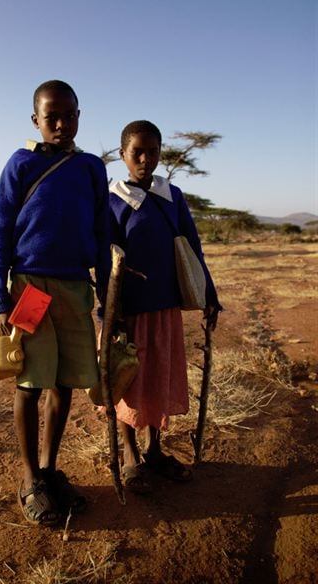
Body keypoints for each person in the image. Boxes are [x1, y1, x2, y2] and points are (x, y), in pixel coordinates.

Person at [0, 79, 110, 525]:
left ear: (80, 116)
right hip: (31, 288)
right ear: (35, 119)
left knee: (65, 384)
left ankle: (49, 470)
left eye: (69, 115)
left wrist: (105, 288)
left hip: (76, 287)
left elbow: (102, 233)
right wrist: (0, 297)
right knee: (30, 382)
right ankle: (28, 479)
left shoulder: (93, 169)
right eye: (50, 116)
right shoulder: (19, 164)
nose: (60, 123)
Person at [109, 120, 221, 492]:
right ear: (122, 153)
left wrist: (210, 295)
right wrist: (107, 311)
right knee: (126, 378)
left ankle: (154, 450)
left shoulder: (171, 195)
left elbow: (192, 247)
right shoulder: (110, 198)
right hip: (127, 309)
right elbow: (101, 257)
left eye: (152, 151)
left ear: (160, 153)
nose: (145, 158)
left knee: (157, 376)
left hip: (165, 307)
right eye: (137, 151)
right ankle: (129, 454)